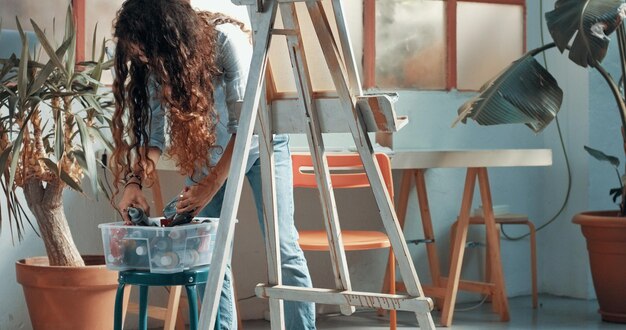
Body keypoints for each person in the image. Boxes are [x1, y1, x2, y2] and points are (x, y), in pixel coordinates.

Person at [109, 0, 316, 329]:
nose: (144, 61)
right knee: (205, 251)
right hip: (211, 156)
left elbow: (245, 125)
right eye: (139, 56)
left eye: (147, 52)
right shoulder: (153, 64)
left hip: (261, 144)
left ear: (166, 36)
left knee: (282, 248)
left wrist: (210, 186)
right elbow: (154, 136)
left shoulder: (225, 43)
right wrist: (134, 182)